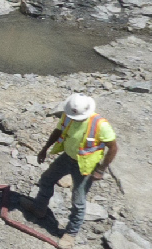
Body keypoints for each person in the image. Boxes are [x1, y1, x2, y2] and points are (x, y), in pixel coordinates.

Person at [33, 93, 119, 237]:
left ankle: (71, 233)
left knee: (78, 200)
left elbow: (113, 148)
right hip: (67, 157)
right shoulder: (68, 115)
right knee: (46, 180)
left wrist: (101, 169)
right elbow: (58, 131)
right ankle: (39, 208)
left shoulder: (100, 125)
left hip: (85, 165)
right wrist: (45, 149)